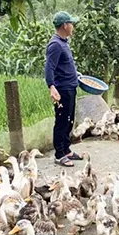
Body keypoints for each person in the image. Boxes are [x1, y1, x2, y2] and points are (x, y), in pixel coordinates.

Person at [45, 11, 82, 166]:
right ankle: (60, 154)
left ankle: (67, 149)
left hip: (70, 87)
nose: (73, 26)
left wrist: (76, 74)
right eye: (71, 24)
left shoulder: (63, 42)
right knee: (61, 121)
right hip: (62, 90)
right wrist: (52, 87)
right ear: (65, 25)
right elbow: (49, 67)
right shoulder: (55, 45)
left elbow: (64, 65)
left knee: (69, 120)